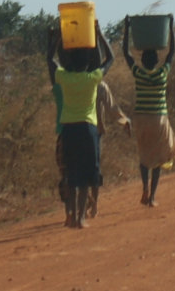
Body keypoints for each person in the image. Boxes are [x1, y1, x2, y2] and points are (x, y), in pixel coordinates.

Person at [47, 23, 128, 228]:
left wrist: (57, 39)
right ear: (88, 63)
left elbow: (50, 60)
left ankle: (72, 216)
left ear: (70, 63)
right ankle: (81, 218)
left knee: (72, 175)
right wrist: (99, 35)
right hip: (88, 130)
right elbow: (109, 59)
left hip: (68, 130)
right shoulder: (93, 78)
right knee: (85, 177)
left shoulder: (64, 78)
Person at [122, 16, 175, 207]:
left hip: (141, 119)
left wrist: (127, 28)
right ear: (156, 61)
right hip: (159, 119)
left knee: (144, 155)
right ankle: (152, 196)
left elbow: (126, 53)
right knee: (160, 157)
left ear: (143, 61)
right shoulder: (162, 74)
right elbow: (172, 52)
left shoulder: (138, 74)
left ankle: (144, 187)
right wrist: (170, 27)